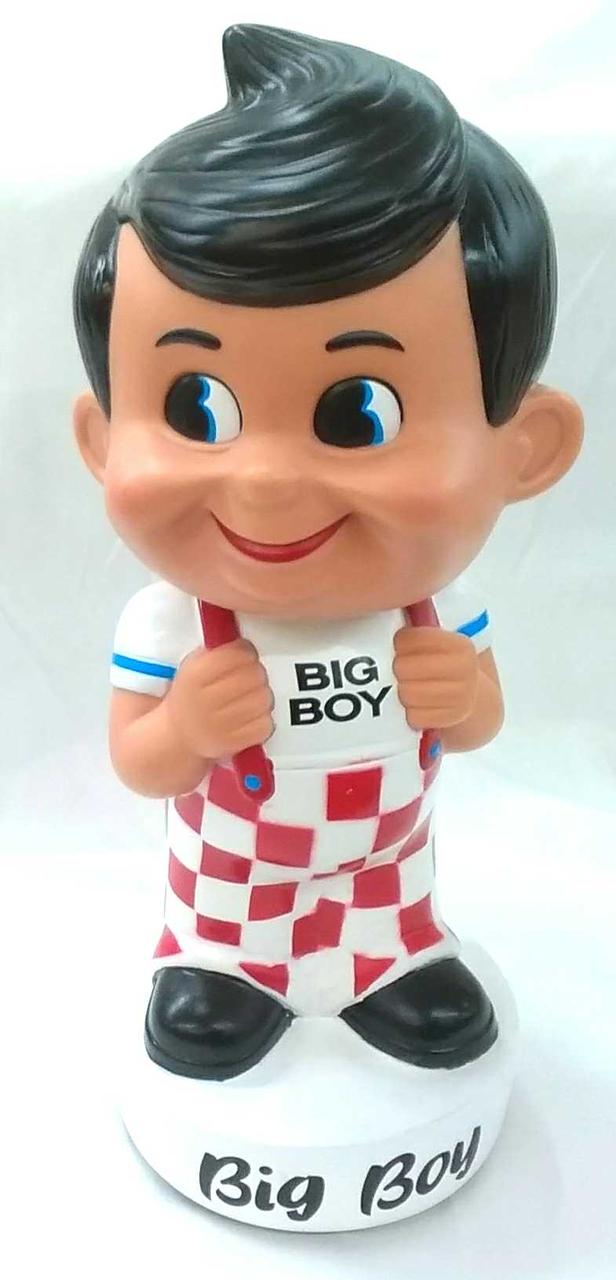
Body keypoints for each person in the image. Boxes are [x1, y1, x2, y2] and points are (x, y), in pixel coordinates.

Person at [72, 24, 582, 1082]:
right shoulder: (167, 624)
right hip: (231, 885)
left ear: (524, 450)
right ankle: (223, 970)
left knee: (387, 908)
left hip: (387, 868)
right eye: (196, 408)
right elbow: (135, 760)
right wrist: (183, 728)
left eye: (357, 414)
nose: (263, 480)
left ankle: (388, 964)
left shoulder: (442, 607)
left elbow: (482, 723)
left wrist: (464, 697)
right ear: (100, 437)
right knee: (231, 928)